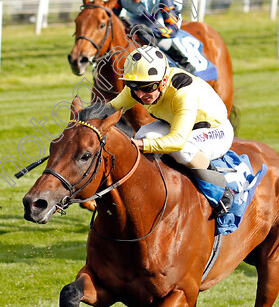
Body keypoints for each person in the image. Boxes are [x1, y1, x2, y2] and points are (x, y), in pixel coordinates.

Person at [97, 45, 234, 216]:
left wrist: (138, 144)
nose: (140, 95)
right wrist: (85, 121)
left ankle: (221, 187)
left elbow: (177, 141)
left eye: (147, 88)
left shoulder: (183, 91)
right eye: (133, 86)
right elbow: (110, 109)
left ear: (163, 81)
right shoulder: (142, 84)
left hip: (215, 130)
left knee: (181, 150)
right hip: (178, 123)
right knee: (143, 135)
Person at [111, 0, 195, 73]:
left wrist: (149, 31)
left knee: (160, 42)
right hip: (137, 15)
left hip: (160, 14)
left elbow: (172, 29)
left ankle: (184, 63)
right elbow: (109, 19)